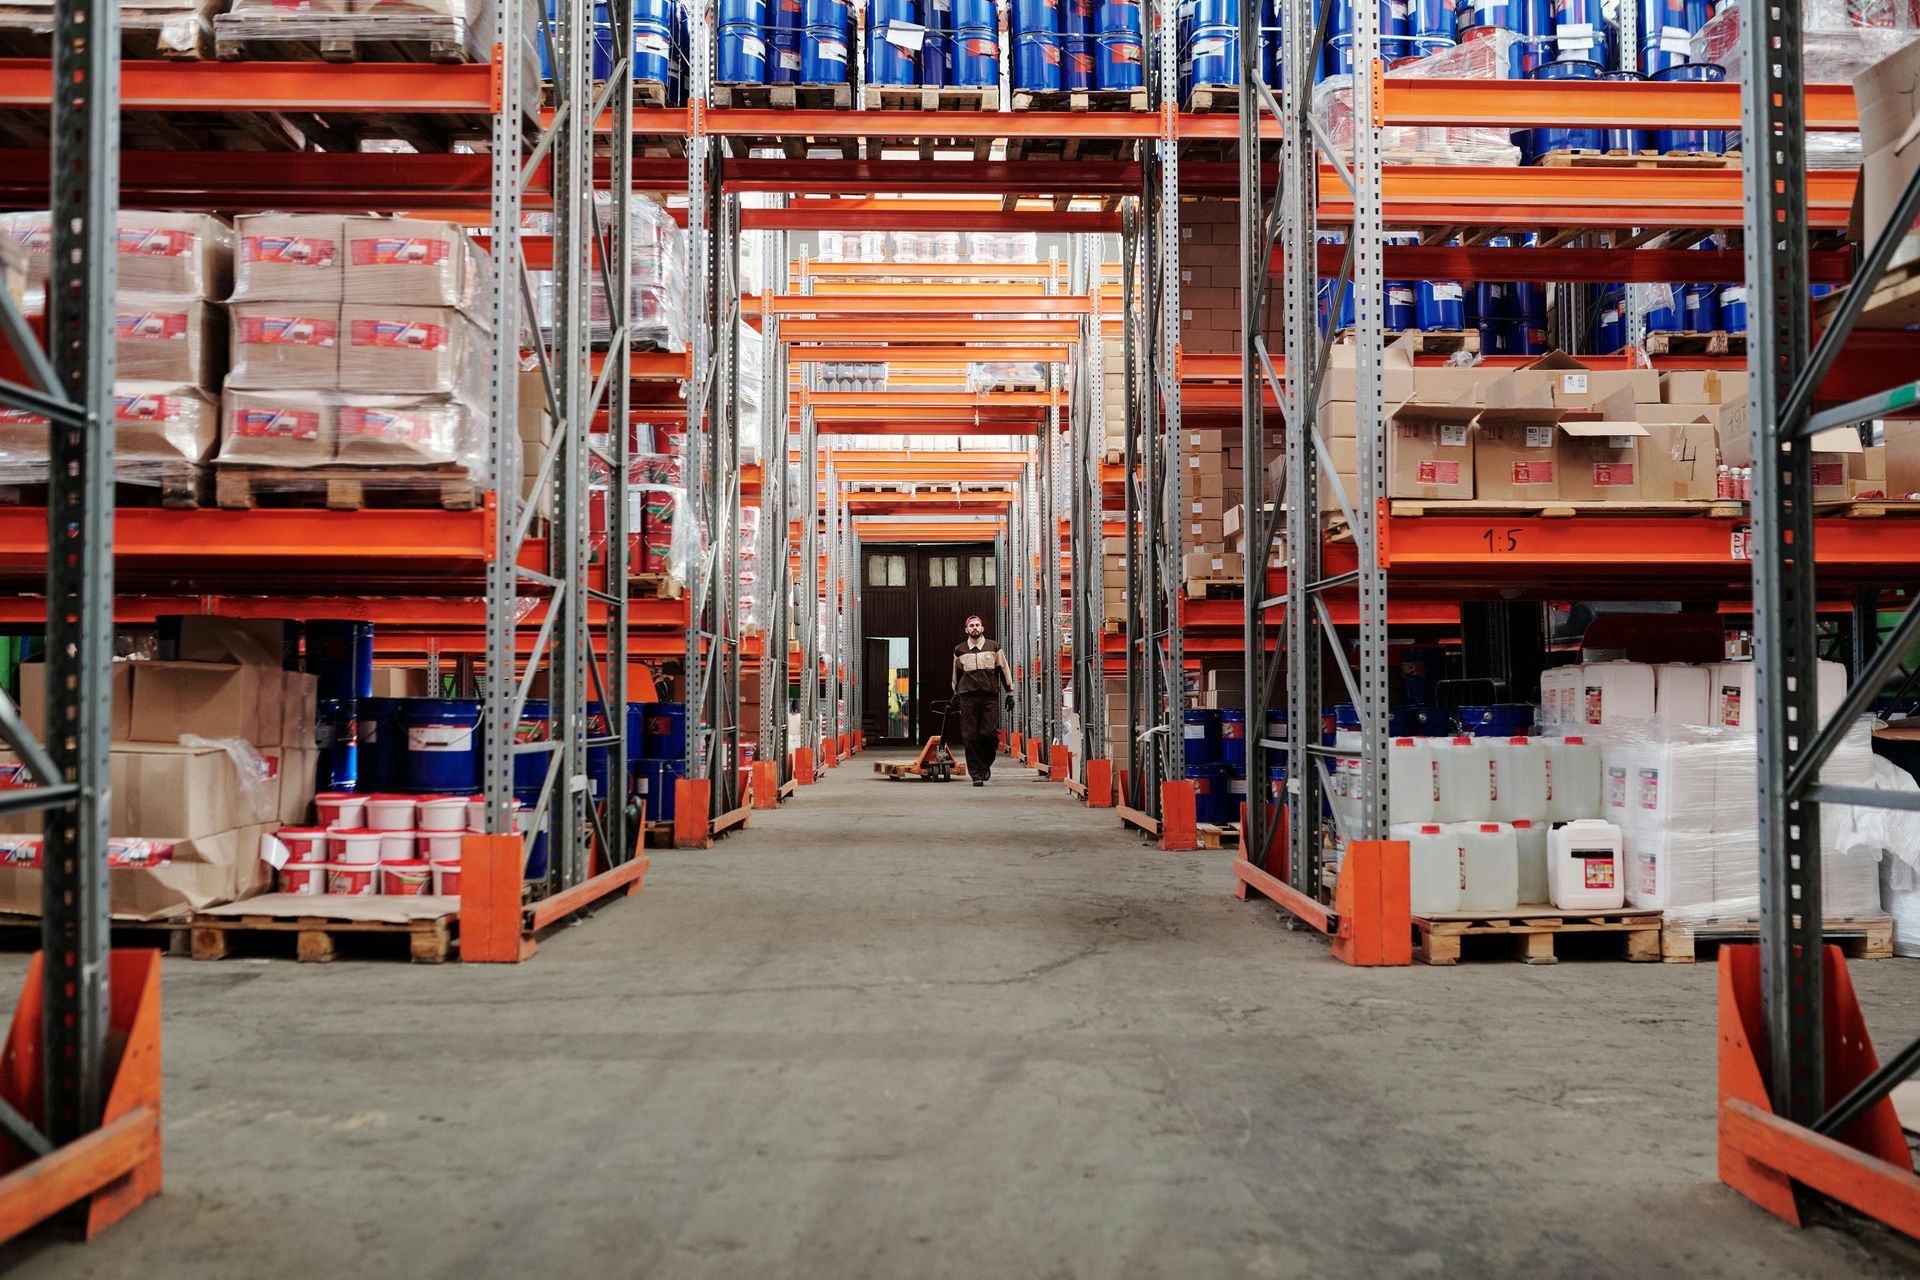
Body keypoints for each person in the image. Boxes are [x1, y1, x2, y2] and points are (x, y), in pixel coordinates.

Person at [951, 614, 1014, 786]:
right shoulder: (959, 650)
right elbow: (956, 674)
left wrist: (1010, 693)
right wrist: (955, 693)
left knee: (989, 734)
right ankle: (976, 774)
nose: (975, 628)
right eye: (971, 625)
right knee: (970, 736)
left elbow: (1004, 669)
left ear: (982, 628)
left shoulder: (994, 647)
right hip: (968, 698)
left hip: (989, 698)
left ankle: (985, 764)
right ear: (966, 630)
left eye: (977, 625)